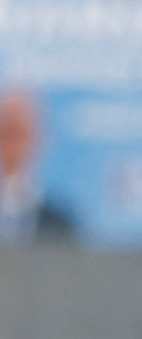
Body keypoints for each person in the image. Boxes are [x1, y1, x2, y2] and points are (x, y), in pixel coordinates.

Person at [0, 90, 73, 245]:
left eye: (18, 134)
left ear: (38, 140)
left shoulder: (59, 224)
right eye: (5, 132)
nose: (11, 146)